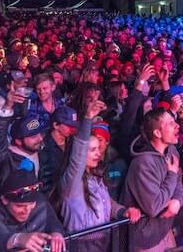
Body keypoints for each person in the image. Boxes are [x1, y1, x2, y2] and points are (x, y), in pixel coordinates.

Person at [56, 99, 141, 252]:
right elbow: (78, 159)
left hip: (102, 244)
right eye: (92, 150)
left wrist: (122, 211)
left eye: (98, 148)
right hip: (80, 247)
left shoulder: (96, 177)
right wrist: (87, 118)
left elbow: (106, 202)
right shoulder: (72, 184)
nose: (98, 153)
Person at [122, 108, 183, 252]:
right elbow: (154, 206)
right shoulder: (142, 162)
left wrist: (177, 201)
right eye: (171, 123)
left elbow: (179, 185)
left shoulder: (172, 151)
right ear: (157, 133)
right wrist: (171, 174)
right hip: (144, 240)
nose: (177, 125)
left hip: (164, 230)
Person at [0, 169, 66, 252]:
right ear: (4, 200)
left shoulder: (41, 203)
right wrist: (16, 239)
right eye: (20, 206)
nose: (27, 210)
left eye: (31, 204)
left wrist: (56, 233)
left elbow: (53, 223)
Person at [0, 85, 46, 190]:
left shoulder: (39, 150)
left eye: (40, 134)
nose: (40, 139)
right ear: (18, 141)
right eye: (34, 136)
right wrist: (7, 106)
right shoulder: (5, 161)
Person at [39, 105, 79, 194]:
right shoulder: (43, 147)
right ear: (56, 125)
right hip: (50, 195)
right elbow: (43, 179)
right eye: (68, 125)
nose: (72, 129)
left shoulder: (72, 142)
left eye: (74, 125)